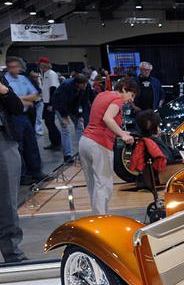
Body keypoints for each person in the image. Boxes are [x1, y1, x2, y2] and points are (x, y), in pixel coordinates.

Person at [78, 77, 137, 215]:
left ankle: (98, 216)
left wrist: (121, 132)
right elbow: (107, 118)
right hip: (99, 144)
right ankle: (102, 218)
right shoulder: (117, 99)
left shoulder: (102, 95)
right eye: (132, 95)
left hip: (85, 142)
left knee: (93, 185)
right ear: (124, 89)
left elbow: (100, 120)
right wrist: (123, 135)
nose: (131, 100)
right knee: (103, 184)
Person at [3, 56, 45, 185]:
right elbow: (11, 99)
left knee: (31, 144)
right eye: (11, 67)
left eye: (16, 66)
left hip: (26, 116)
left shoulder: (23, 79)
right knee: (18, 146)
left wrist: (20, 99)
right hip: (13, 117)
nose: (14, 69)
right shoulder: (5, 80)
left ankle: (36, 171)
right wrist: (23, 100)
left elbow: (35, 95)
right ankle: (22, 175)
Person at [0, 76, 26, 263]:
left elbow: (17, 108)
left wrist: (3, 90)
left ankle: (13, 254)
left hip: (3, 140)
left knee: (8, 200)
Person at [51, 74, 93, 163]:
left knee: (80, 127)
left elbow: (84, 102)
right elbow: (61, 101)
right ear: (77, 84)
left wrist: (80, 115)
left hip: (74, 107)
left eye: (86, 83)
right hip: (60, 106)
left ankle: (82, 153)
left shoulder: (86, 86)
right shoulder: (66, 85)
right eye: (83, 84)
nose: (85, 86)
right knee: (65, 128)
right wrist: (64, 116)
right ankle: (68, 155)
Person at [37, 57, 61, 153]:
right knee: (48, 123)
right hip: (46, 101)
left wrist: (51, 104)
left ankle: (57, 143)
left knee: (50, 123)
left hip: (50, 102)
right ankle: (54, 142)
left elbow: (53, 89)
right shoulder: (46, 74)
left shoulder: (51, 74)